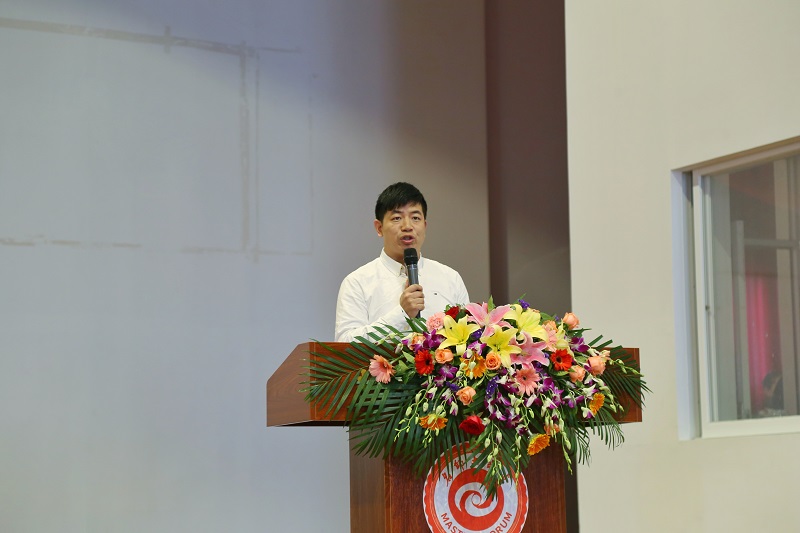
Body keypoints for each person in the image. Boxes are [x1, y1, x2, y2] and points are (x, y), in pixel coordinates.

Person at [335, 182, 470, 343]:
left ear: (425, 226)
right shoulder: (357, 282)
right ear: (379, 228)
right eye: (397, 218)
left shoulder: (450, 278)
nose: (407, 226)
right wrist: (401, 314)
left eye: (415, 218)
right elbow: (345, 343)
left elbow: (467, 340)